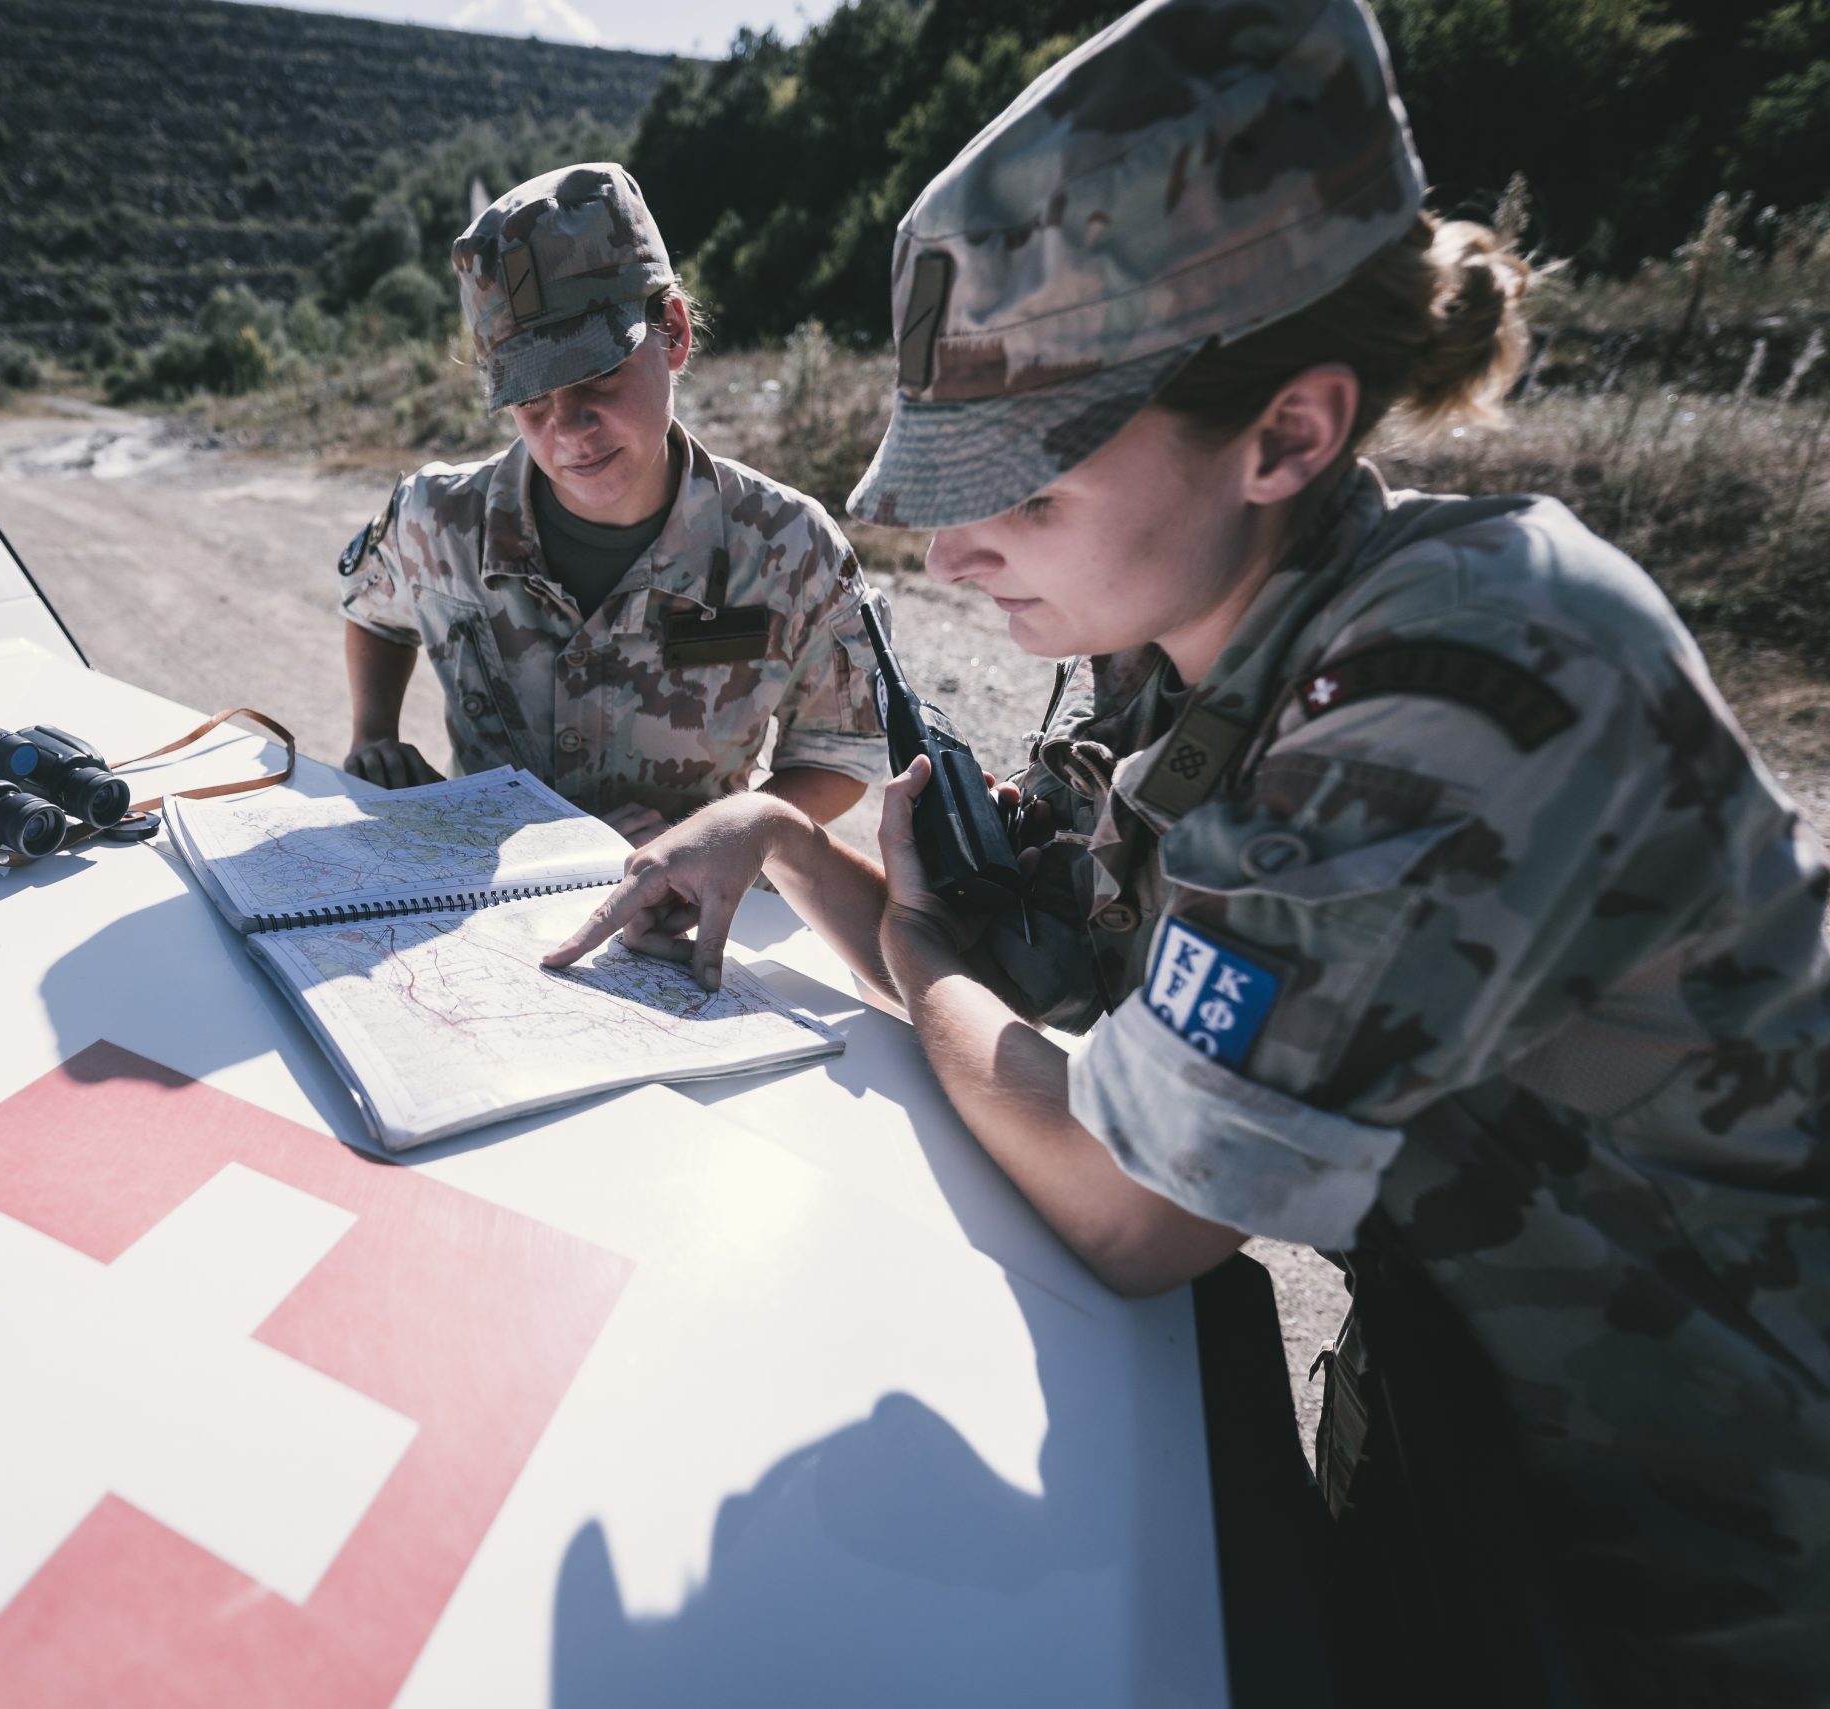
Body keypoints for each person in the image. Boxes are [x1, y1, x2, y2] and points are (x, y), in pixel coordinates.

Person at [542, 1, 1828, 1700]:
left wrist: (926, 955)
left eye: (1028, 484)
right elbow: (1037, 1017)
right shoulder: (1197, 661)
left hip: (1706, 1546)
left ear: (1289, 432)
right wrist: (780, 827)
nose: (954, 543)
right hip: (1474, 1419)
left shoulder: (1467, 675)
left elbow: (1123, 1193)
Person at [336, 163, 883, 845]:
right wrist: (373, 737)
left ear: (673, 332)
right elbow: (374, 611)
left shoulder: (791, 548)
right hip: (486, 907)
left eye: (597, 373)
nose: (568, 427)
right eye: (529, 397)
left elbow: (838, 754)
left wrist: (708, 843)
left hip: (672, 921)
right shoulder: (437, 519)